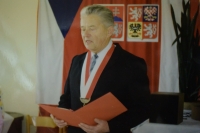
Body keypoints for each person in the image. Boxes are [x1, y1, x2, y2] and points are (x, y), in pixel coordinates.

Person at [51, 4, 150, 133]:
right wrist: (61, 113)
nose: (85, 34)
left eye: (92, 28)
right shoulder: (77, 61)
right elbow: (66, 97)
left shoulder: (132, 63)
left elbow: (143, 108)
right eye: (83, 28)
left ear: (109, 31)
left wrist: (111, 126)